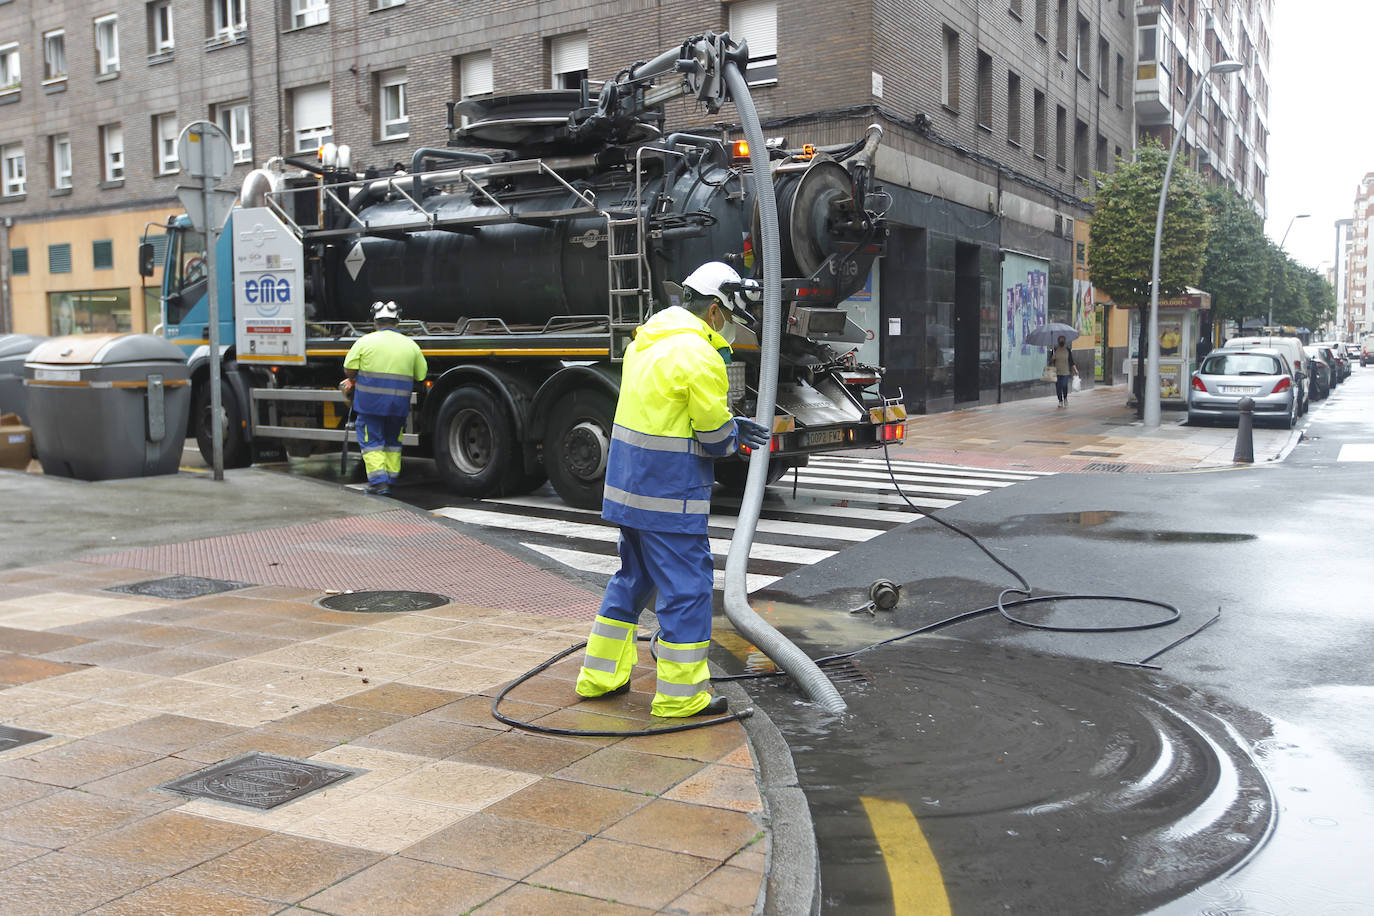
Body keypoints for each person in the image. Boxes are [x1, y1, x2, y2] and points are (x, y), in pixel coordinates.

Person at [575, 261, 770, 718]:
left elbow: (662, 413)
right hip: (670, 495)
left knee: (631, 580)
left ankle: (600, 677)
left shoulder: (647, 341)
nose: (729, 326)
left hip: (629, 491)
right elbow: (714, 436)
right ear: (716, 309)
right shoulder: (701, 355)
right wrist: (730, 432)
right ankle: (682, 697)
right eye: (729, 317)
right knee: (688, 589)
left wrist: (722, 424)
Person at [340, 300, 428, 495]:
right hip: (398, 407)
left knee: (372, 443)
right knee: (392, 444)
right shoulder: (411, 345)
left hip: (370, 406)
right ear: (398, 322)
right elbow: (421, 376)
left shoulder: (364, 342)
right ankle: (391, 479)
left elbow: (349, 370)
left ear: (374, 323)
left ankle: (379, 482)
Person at [1050, 334, 1078, 408]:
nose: (1061, 341)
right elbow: (1050, 362)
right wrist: (1052, 358)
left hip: (1066, 371)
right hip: (1057, 372)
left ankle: (1065, 398)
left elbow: (1071, 361)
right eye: (1060, 339)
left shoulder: (1067, 350)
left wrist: (1075, 370)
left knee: (1064, 385)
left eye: (1063, 339)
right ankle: (1060, 401)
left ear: (1065, 341)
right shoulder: (1054, 350)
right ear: (1058, 341)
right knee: (1058, 387)